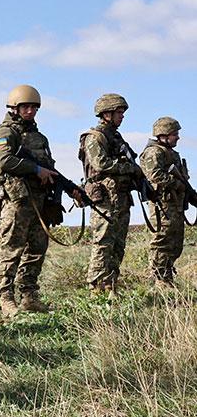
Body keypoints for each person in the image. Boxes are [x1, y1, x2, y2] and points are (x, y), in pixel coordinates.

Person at [0, 84, 58, 317]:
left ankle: (29, 295)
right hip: (16, 200)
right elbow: (5, 160)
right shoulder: (6, 132)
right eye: (25, 107)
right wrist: (36, 169)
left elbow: (49, 166)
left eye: (33, 107)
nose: (30, 111)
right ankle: (5, 296)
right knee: (12, 248)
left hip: (38, 201)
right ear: (15, 108)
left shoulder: (39, 137)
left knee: (37, 247)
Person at [80, 93, 136, 293]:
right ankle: (97, 286)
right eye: (118, 112)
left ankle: (110, 284)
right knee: (103, 241)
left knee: (118, 243)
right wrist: (128, 168)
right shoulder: (94, 137)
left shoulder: (116, 137)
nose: (122, 116)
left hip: (121, 197)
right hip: (104, 197)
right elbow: (100, 164)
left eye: (122, 112)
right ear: (106, 114)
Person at [140, 117, 189, 286]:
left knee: (175, 243)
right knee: (162, 241)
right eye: (174, 134)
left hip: (174, 206)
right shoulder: (154, 152)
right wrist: (177, 184)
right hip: (163, 205)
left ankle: (166, 276)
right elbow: (154, 175)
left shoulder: (171, 153)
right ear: (164, 134)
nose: (178, 137)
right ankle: (159, 279)